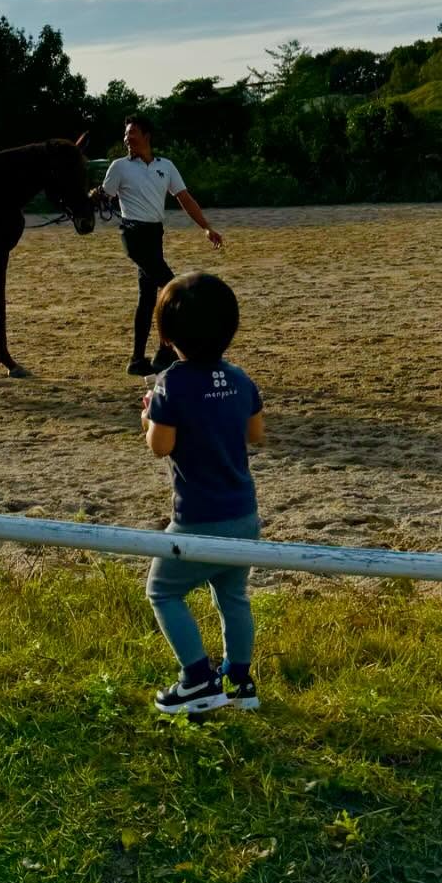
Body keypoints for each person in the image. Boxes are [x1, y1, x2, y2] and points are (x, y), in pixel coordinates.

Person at [141, 272, 264, 716]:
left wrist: (147, 417)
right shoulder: (239, 377)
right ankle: (240, 681)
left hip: (197, 520)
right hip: (244, 514)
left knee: (162, 592)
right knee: (232, 596)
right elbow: (256, 433)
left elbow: (161, 446)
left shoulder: (170, 384)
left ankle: (196, 681)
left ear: (168, 335)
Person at [98, 114, 223, 376]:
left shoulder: (166, 166)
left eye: (132, 133)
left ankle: (137, 359)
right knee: (173, 288)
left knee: (147, 299)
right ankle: (167, 351)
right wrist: (91, 197)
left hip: (155, 235)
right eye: (125, 134)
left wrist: (206, 227)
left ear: (146, 136)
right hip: (132, 235)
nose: (127, 138)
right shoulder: (119, 167)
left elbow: (184, 198)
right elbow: (103, 197)